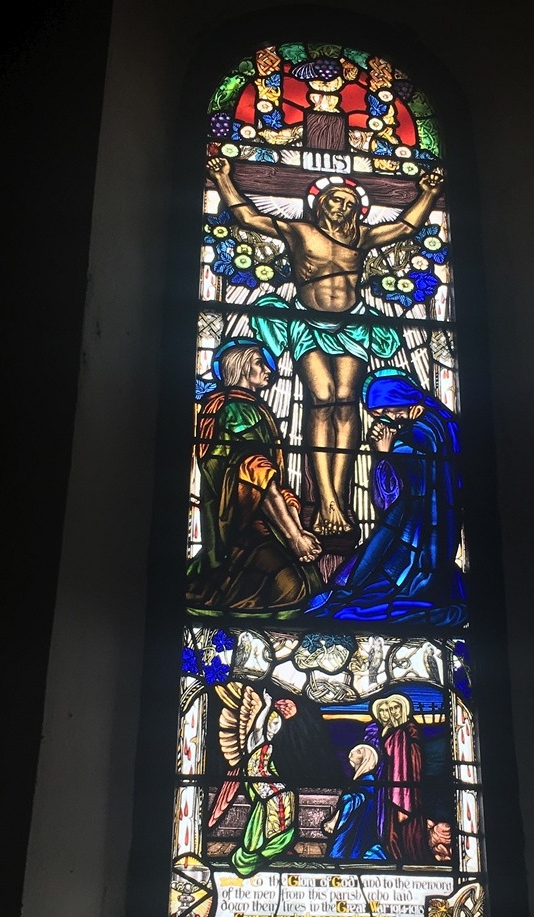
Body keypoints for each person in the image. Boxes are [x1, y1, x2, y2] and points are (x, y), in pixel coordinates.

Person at [206, 157, 445, 536]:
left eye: (350, 204)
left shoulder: (361, 237)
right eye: (336, 200)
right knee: (322, 399)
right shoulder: (299, 231)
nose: (343, 207)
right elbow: (250, 219)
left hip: (353, 323)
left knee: (347, 402)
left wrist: (429, 193)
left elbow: (405, 226)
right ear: (320, 204)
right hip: (308, 323)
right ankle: (327, 498)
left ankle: (342, 499)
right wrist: (222, 178)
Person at [306, 368, 467, 624]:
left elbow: (395, 498)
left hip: (418, 537)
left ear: (403, 400)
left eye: (387, 411)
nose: (386, 420)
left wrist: (384, 452)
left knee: (367, 586)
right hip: (437, 530)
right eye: (379, 415)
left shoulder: (419, 433)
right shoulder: (441, 423)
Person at [186, 337, 322, 613]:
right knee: (292, 590)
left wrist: (295, 525)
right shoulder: (237, 409)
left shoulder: (242, 406)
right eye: (260, 362)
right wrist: (294, 536)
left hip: (255, 524)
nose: (268, 369)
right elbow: (257, 475)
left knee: (306, 584)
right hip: (245, 529)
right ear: (240, 365)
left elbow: (270, 481)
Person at [208, 684, 299, 878]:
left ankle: (278, 843)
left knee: (287, 795)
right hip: (255, 778)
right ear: (266, 722)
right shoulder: (256, 739)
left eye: (278, 725)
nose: (276, 728)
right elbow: (258, 726)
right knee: (278, 798)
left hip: (265, 777)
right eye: (273, 723)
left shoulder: (269, 742)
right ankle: (268, 846)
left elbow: (269, 766)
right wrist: (266, 706)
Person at [375, 693, 430, 864]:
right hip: (391, 785)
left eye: (396, 707)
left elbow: (412, 757)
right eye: (390, 709)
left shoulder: (409, 729)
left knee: (408, 830)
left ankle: (412, 859)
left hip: (406, 787)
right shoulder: (392, 730)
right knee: (391, 832)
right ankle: (394, 857)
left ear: (404, 708)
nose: (393, 712)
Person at [322, 744, 387, 861]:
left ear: (367, 758)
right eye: (354, 750)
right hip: (353, 824)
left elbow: (355, 800)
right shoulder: (359, 780)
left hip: (359, 826)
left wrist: (335, 821)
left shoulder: (369, 780)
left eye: (359, 752)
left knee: (346, 851)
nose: (352, 752)